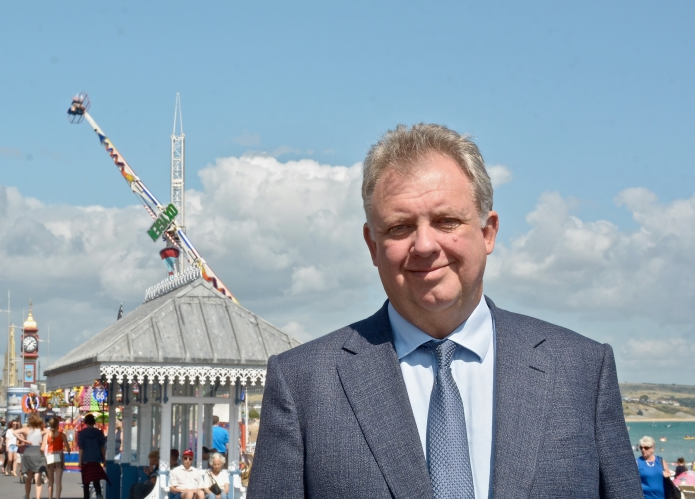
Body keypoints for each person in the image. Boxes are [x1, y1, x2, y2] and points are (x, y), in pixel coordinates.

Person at [247, 124, 643, 498]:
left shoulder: (581, 371)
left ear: (488, 232)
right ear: (372, 244)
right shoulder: (305, 385)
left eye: (446, 221)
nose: (424, 245)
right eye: (400, 227)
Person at [14, 413, 48, 499]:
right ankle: (38, 497)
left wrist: (24, 440)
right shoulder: (42, 430)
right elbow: (48, 432)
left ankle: (28, 497)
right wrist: (42, 441)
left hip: (28, 452)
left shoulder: (26, 429)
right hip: (38, 453)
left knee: (28, 478)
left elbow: (15, 432)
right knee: (38, 477)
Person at [78, 413, 108, 499]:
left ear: (85, 422)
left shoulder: (82, 434)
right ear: (94, 422)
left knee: (86, 482)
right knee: (96, 480)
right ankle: (98, 494)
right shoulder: (99, 433)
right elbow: (102, 447)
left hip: (85, 460)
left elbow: (81, 448)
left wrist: (80, 461)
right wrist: (104, 460)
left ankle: (86, 497)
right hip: (96, 459)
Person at [45, 416, 71, 499]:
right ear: (57, 425)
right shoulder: (62, 435)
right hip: (59, 456)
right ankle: (57, 497)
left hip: (49, 456)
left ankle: (50, 497)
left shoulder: (47, 435)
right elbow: (68, 447)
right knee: (58, 480)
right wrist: (68, 451)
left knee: (50, 481)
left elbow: (44, 445)